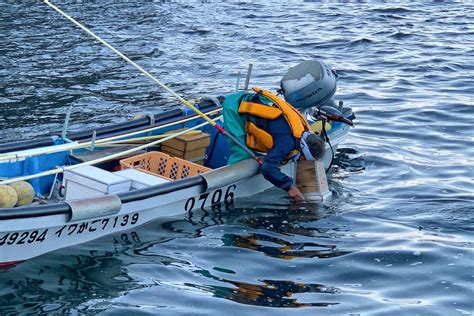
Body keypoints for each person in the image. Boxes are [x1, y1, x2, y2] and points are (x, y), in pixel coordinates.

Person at [221, 60, 338, 202]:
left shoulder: (303, 129)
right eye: (303, 159)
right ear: (303, 151)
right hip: (234, 107)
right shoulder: (286, 141)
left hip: (251, 101)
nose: (301, 161)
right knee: (242, 152)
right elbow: (267, 168)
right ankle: (228, 181)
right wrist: (289, 186)